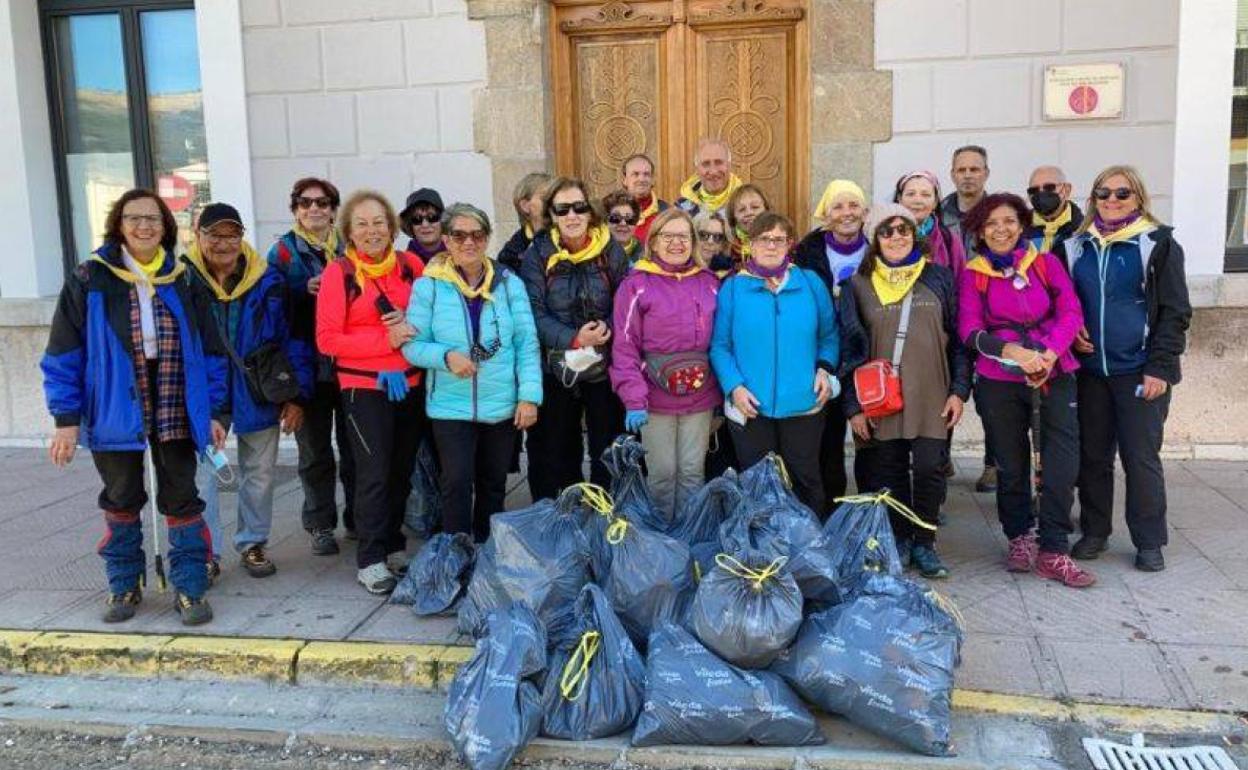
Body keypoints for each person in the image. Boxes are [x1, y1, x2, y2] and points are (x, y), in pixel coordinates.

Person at [42, 188, 227, 625]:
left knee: (183, 497)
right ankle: (124, 584)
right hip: (114, 404)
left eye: (154, 219)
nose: (144, 226)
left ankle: (189, 586)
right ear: (118, 225)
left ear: (166, 227)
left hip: (175, 399)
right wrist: (65, 421)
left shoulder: (183, 278)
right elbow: (63, 353)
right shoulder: (90, 278)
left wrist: (217, 412)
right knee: (122, 496)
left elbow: (213, 351)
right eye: (134, 218)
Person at [958, 192, 1094, 588]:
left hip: (1053, 370)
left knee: (1061, 461)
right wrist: (1013, 352)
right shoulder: (975, 273)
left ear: (1021, 225)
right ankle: (1019, 536)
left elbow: (1070, 311)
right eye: (991, 224)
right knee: (1010, 462)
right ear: (980, 231)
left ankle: (1054, 548)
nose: (1001, 230)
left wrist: (1048, 354)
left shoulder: (1045, 263)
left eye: (1008, 221)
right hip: (1001, 378)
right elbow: (969, 328)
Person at [1065, 166, 1191, 572]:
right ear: (1093, 198)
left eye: (1122, 193)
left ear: (1138, 197)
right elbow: (1064, 305)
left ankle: (1149, 540)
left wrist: (1161, 367)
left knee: (1141, 458)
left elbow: (1175, 312)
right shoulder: (1074, 247)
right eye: (1103, 193)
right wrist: (1071, 334)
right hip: (1090, 372)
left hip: (1139, 371)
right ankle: (1095, 531)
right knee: (1093, 457)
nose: (1112, 200)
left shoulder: (1158, 244)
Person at [839, 204, 971, 578]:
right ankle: (898, 538)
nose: (896, 236)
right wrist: (853, 408)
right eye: (887, 230)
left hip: (933, 394)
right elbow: (848, 349)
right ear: (873, 239)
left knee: (930, 470)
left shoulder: (940, 279)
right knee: (889, 470)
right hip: (880, 399)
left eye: (903, 229)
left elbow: (960, 342)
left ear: (914, 234)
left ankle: (925, 542)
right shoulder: (856, 284)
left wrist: (959, 391)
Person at [185, 203, 312, 580]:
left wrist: (296, 395)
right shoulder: (181, 279)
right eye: (215, 235)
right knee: (204, 474)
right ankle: (205, 551)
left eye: (231, 234)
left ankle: (253, 542)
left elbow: (292, 337)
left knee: (259, 472)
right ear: (198, 236)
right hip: (205, 393)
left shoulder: (267, 278)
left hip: (260, 387)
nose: (224, 243)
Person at [402, 203, 542, 543]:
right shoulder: (429, 286)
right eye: (459, 235)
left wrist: (529, 397)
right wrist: (446, 356)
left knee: (493, 483)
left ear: (487, 238)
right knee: (456, 482)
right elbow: (411, 345)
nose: (469, 242)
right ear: (447, 241)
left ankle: (487, 551)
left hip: (501, 403)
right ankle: (457, 551)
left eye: (477, 235)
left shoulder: (509, 283)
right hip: (450, 404)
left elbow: (526, 342)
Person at [316, 190, 426, 595]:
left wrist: (410, 329)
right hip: (364, 387)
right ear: (348, 230)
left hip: (411, 383)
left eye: (379, 222)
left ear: (392, 227)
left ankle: (394, 544)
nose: (372, 230)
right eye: (362, 223)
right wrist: (387, 340)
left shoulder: (412, 265)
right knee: (374, 473)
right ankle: (371, 557)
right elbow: (328, 339)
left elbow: (427, 319)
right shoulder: (339, 274)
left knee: (401, 470)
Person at [710, 212, 839, 515]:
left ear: (789, 244)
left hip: (804, 402)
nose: (771, 245)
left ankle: (809, 546)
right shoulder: (733, 288)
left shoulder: (810, 283)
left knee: (805, 479)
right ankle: (762, 549)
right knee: (757, 483)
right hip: (751, 405)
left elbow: (830, 335)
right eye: (763, 239)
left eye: (778, 239)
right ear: (750, 245)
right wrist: (735, 387)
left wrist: (824, 368)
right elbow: (719, 346)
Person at [519, 177, 628, 499]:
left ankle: (603, 511)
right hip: (556, 365)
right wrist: (573, 338)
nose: (572, 215)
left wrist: (606, 328)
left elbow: (627, 301)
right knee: (557, 448)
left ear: (589, 211)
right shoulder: (537, 254)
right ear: (551, 214)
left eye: (579, 207)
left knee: (606, 446)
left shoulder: (611, 250)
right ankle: (564, 515)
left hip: (603, 364)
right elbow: (533, 311)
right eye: (562, 209)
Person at [611, 208, 722, 518]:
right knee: (661, 474)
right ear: (654, 241)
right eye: (668, 236)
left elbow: (723, 341)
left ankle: (689, 537)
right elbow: (624, 346)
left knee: (691, 472)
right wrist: (633, 398)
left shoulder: (709, 282)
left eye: (683, 236)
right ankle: (663, 542)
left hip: (700, 396)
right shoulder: (636, 285)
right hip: (654, 397)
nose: (676, 243)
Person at [267, 177, 356, 556]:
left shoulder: (350, 246)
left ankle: (359, 518)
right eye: (306, 203)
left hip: (349, 362)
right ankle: (320, 524)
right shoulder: (282, 253)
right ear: (295, 209)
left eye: (323, 203)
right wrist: (303, 290)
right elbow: (271, 306)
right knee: (315, 452)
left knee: (357, 451)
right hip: (306, 366)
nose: (314, 209)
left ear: (334, 209)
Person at [794, 179, 870, 500]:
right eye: (838, 206)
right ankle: (828, 510)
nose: (846, 213)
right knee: (826, 440)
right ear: (826, 213)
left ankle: (870, 511)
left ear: (864, 211)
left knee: (870, 442)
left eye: (853, 205)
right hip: (823, 357)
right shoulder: (807, 253)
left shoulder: (878, 248)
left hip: (867, 356)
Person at [894, 170, 970, 482]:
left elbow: (961, 284)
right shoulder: (886, 234)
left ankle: (931, 496)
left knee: (937, 419)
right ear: (899, 198)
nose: (917, 200)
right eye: (911, 193)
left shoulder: (949, 239)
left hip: (937, 339)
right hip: (895, 340)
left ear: (936, 200)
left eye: (925, 194)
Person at [1025, 165, 1083, 270]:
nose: (1041, 193)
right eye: (1034, 190)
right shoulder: (1019, 229)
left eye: (1049, 187)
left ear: (1067, 189)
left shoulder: (1084, 229)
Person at [497, 172, 551, 274]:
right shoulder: (512, 253)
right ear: (525, 206)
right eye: (546, 197)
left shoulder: (568, 237)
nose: (553, 202)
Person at [675, 138, 743, 217]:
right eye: (706, 164)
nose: (713, 171)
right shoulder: (682, 208)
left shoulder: (746, 203)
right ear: (697, 170)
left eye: (719, 162)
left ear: (729, 165)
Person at [940, 145, 989, 250]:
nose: (967, 175)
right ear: (953, 175)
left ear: (986, 174)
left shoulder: (996, 214)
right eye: (961, 170)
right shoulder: (937, 216)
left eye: (974, 170)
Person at [621, 154, 668, 244]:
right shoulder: (608, 212)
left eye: (646, 174)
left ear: (653, 180)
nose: (641, 179)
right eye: (635, 174)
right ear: (624, 180)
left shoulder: (667, 212)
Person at [399, 188, 447, 262]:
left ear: (443, 221)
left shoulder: (459, 259)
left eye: (432, 217)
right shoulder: (403, 265)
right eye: (417, 219)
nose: (425, 225)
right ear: (410, 225)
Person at [725, 183, 770, 262]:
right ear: (733, 217)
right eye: (742, 209)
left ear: (766, 210)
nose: (749, 213)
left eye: (755, 207)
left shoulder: (782, 244)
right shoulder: (727, 252)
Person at [603, 189, 643, 263]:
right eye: (616, 218)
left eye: (629, 219)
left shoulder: (647, 255)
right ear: (605, 222)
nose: (623, 223)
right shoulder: (594, 256)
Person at [694, 209, 733, 275]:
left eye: (717, 237)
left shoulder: (729, 275)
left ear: (723, 244)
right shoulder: (677, 270)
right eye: (703, 235)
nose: (710, 242)